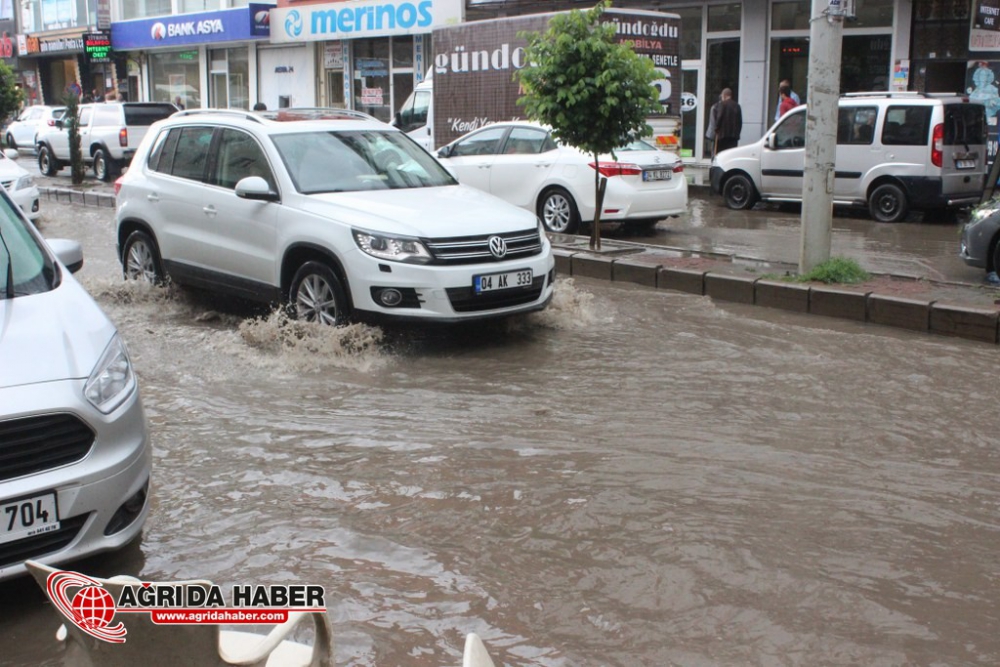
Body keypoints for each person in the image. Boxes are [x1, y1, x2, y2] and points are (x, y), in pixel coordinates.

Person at [715, 88, 742, 153]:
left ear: (724, 95)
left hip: (723, 135)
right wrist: (737, 133)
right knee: (731, 153)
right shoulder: (737, 106)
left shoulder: (722, 104)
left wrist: (716, 128)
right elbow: (740, 122)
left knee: (722, 153)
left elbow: (719, 117)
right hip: (734, 136)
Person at [704, 93, 722, 157]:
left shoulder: (715, 107)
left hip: (717, 133)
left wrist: (711, 135)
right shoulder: (716, 107)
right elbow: (713, 122)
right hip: (718, 133)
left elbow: (712, 122)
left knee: (715, 150)